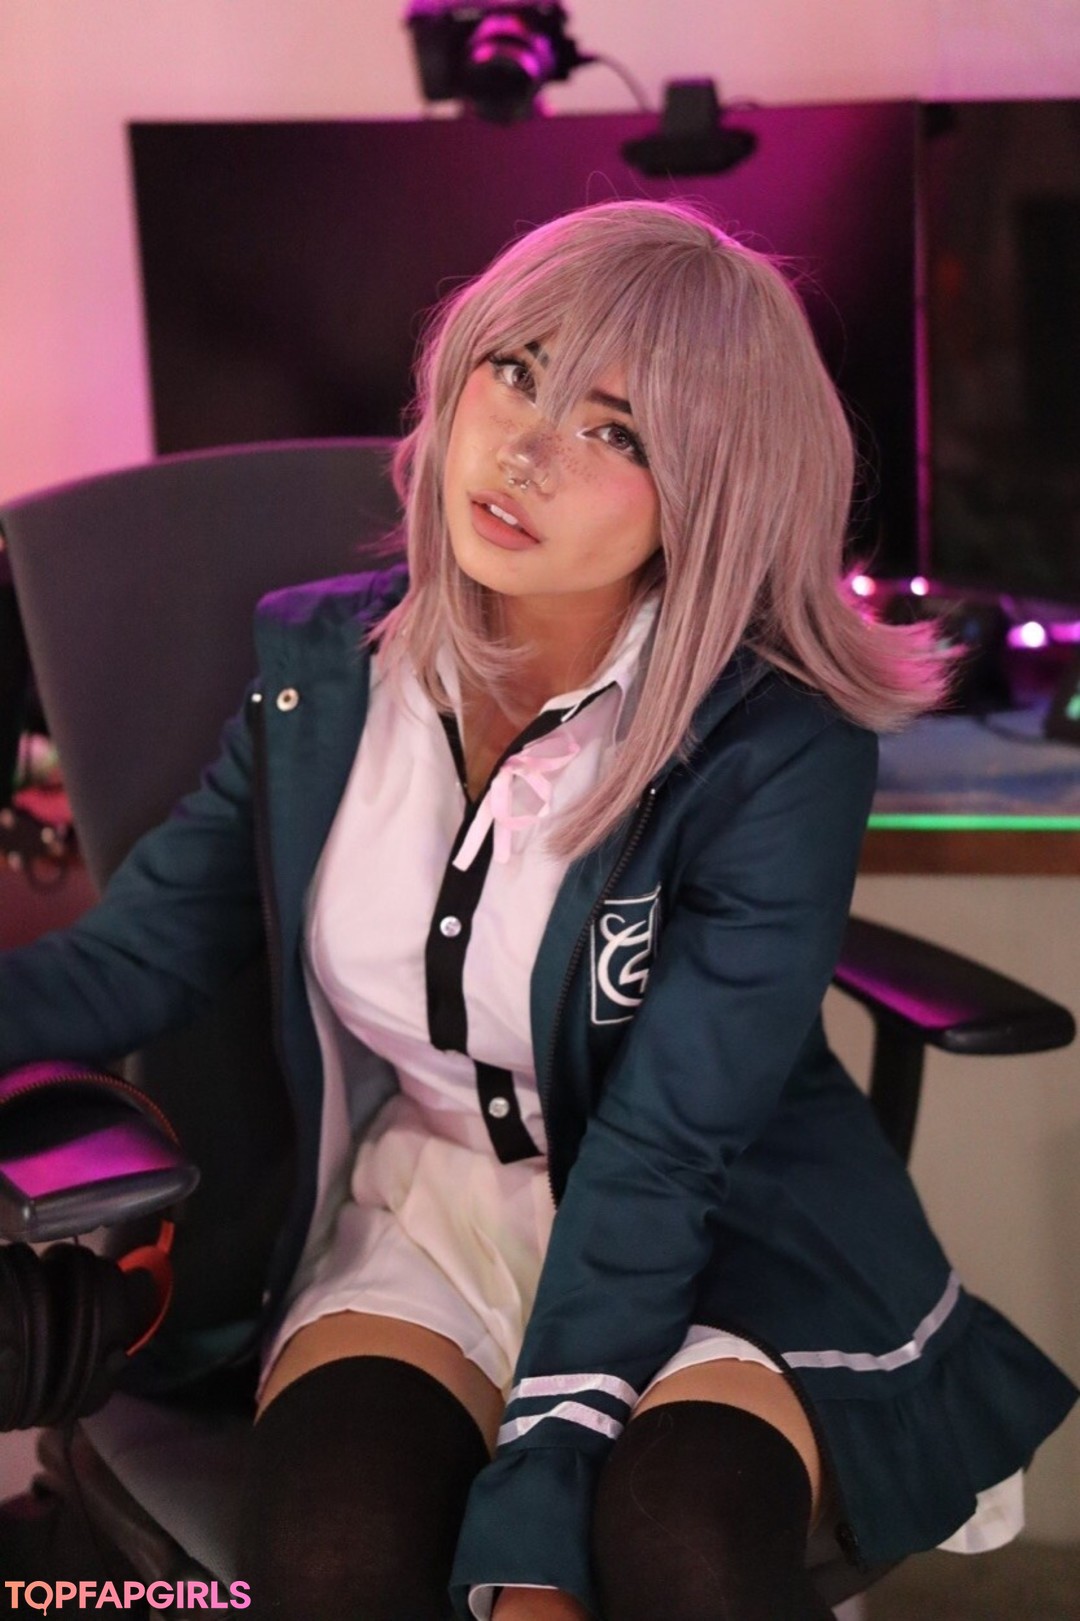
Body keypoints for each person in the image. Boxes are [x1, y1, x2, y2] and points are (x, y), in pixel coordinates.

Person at [0, 199, 1074, 1621]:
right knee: (330, 1554)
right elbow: (136, 957)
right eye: (516, 372)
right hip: (433, 1204)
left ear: (714, 494)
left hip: (718, 1216)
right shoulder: (325, 670)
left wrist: (534, 1520)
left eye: (619, 434)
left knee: (677, 1542)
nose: (525, 451)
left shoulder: (775, 747)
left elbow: (665, 1151)